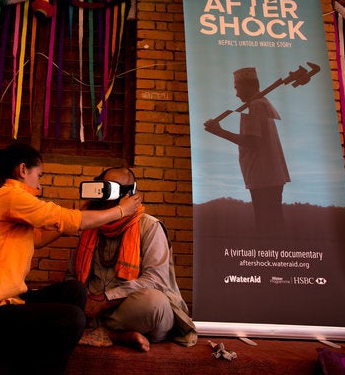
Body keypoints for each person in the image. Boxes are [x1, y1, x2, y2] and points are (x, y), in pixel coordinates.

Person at [0, 143, 142, 375]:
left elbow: (39, 239)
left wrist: (86, 211)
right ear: (23, 170)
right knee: (72, 318)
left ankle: (36, 357)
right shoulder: (10, 195)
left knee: (74, 291)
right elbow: (65, 219)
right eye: (39, 175)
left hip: (6, 304)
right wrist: (121, 210)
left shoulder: (5, 199)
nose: (40, 183)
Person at [66, 167, 197, 352]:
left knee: (155, 304)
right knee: (63, 299)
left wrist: (104, 300)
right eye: (103, 188)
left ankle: (99, 330)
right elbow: (71, 277)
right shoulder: (91, 224)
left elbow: (156, 281)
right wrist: (85, 302)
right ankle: (115, 335)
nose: (105, 196)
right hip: (94, 311)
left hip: (129, 310)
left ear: (128, 196)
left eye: (111, 189)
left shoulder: (149, 226)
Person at [204, 67, 290, 236]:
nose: (236, 93)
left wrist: (219, 132)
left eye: (237, 87)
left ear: (248, 86)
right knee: (273, 224)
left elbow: (253, 142)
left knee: (267, 227)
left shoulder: (257, 105)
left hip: (264, 178)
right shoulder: (262, 103)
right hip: (268, 176)